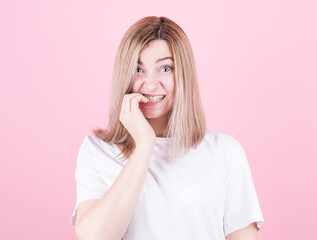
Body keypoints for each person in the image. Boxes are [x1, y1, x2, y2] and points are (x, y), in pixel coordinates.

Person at [70, 16, 264, 240]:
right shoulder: (96, 151)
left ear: (183, 74)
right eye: (138, 69)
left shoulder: (226, 152)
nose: (151, 84)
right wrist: (144, 144)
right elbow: (95, 237)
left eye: (165, 68)